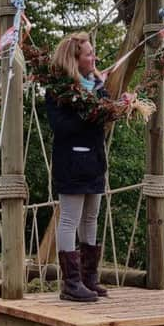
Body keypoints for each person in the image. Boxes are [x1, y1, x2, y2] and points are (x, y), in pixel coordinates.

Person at [45, 32, 128, 302]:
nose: (94, 58)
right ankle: (71, 284)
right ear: (75, 59)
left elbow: (103, 116)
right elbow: (61, 126)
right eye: (89, 54)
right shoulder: (59, 90)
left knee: (91, 217)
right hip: (71, 162)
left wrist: (109, 99)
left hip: (94, 161)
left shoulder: (95, 85)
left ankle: (89, 278)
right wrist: (92, 112)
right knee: (70, 219)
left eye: (93, 53)